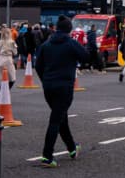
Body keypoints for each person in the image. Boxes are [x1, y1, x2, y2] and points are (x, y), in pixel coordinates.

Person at [34, 15, 87, 168]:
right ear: (69, 30)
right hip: (64, 86)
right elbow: (85, 56)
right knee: (56, 120)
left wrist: (45, 80)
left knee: (60, 116)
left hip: (49, 87)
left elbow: (38, 65)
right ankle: (47, 155)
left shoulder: (46, 44)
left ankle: (71, 148)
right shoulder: (71, 43)